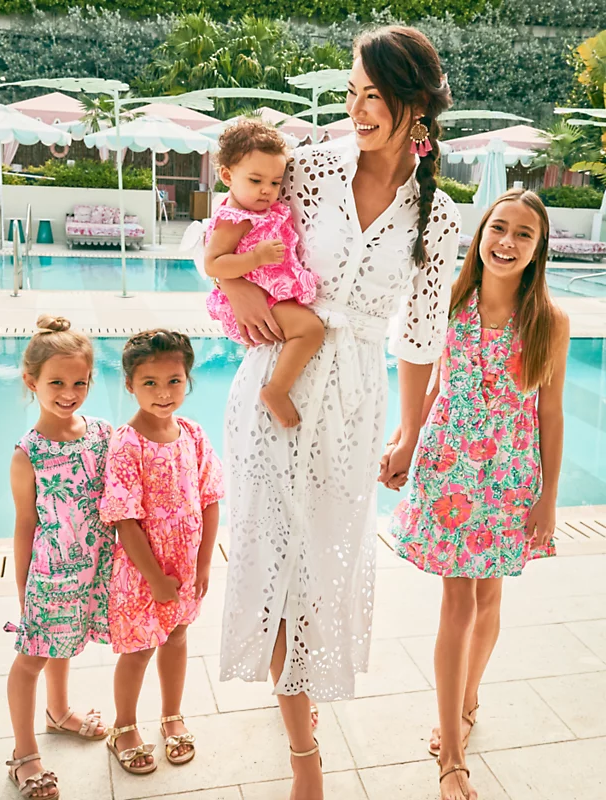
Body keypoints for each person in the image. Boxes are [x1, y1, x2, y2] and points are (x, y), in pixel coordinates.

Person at [218, 26, 461, 800]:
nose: (356, 110)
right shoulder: (312, 168)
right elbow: (226, 224)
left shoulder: (438, 217)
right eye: (351, 93)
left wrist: (411, 433)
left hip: (354, 404)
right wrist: (239, 287)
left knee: (320, 565)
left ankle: (301, 691)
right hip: (276, 384)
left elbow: (420, 337)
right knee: (273, 559)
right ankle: (304, 758)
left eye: (373, 96)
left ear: (415, 105)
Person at [389, 189, 570, 800]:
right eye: (499, 227)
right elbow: (429, 384)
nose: (507, 242)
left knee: (490, 595)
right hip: (448, 470)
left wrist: (548, 496)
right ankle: (452, 753)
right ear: (481, 232)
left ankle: (468, 699)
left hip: (508, 476)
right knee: (458, 601)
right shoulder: (449, 302)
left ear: (538, 248)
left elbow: (550, 414)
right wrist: (405, 442)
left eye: (523, 234)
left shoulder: (549, 322)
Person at [99, 330, 224, 775]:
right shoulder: (126, 443)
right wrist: (154, 578)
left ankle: (172, 716)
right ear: (129, 384)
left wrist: (204, 563)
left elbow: (210, 499)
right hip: (142, 573)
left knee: (177, 638)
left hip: (185, 568)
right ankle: (124, 726)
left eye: (174, 380)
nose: (163, 392)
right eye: (149, 382)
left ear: (188, 379)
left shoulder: (193, 434)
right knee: (138, 650)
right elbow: (124, 519)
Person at [6, 315, 114, 800]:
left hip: (93, 568)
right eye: (56, 383)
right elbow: (25, 524)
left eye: (79, 382)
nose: (69, 393)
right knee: (32, 657)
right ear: (32, 382)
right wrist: (22, 586)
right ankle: (24, 753)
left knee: (65, 643)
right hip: (50, 574)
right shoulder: (27, 454)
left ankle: (59, 711)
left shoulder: (102, 434)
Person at [204, 119, 325, 427]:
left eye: (274, 183)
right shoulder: (233, 219)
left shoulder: (261, 211)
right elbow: (213, 263)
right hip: (260, 297)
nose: (267, 191)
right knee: (311, 330)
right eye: (256, 180)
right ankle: (276, 390)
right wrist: (255, 258)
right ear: (227, 176)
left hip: (271, 293)